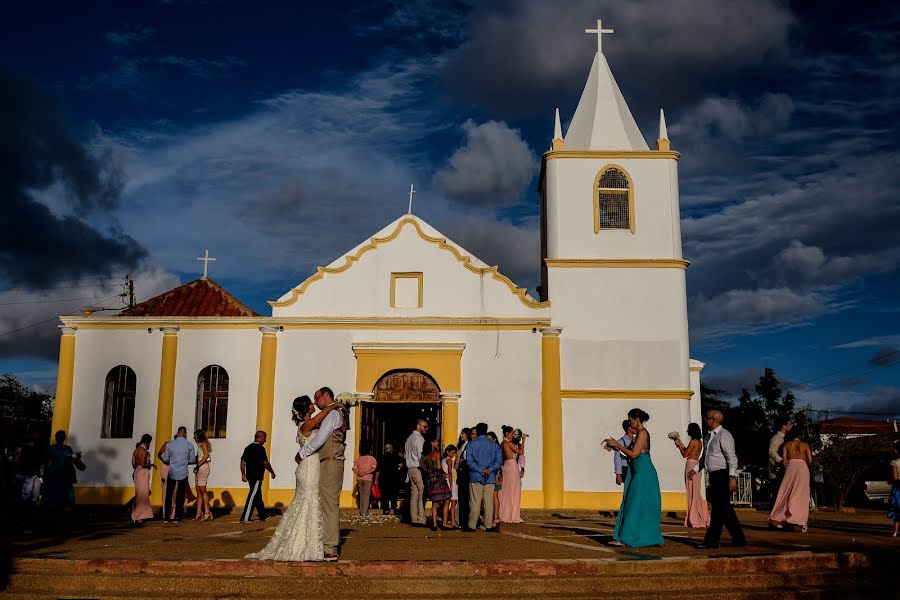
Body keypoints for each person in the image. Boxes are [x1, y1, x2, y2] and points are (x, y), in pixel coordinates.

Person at [247, 396, 337, 561]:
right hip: (309, 468)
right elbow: (321, 416)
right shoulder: (305, 425)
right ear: (305, 408)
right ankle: (305, 545)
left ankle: (309, 543)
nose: (313, 404)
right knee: (309, 501)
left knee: (308, 502)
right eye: (311, 403)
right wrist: (332, 405)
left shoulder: (309, 425)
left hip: (310, 466)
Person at [296, 387, 347, 561]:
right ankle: (325, 542)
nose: (315, 403)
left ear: (326, 395)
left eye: (317, 399)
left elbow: (320, 438)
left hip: (330, 461)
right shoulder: (331, 412)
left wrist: (302, 453)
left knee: (329, 505)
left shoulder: (332, 414)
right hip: (327, 461)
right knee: (326, 503)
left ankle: (330, 547)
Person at [604, 409, 664, 547]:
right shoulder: (639, 434)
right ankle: (629, 536)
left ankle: (627, 537)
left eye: (631, 420)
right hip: (638, 471)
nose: (630, 423)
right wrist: (616, 448)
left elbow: (634, 454)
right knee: (634, 503)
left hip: (643, 473)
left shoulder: (642, 433)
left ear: (637, 419)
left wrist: (617, 445)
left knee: (634, 504)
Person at [690, 410, 746, 549]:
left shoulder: (724, 435)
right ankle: (739, 539)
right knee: (725, 510)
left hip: (723, 475)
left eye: (707, 418)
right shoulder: (708, 436)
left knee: (718, 511)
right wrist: (696, 469)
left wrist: (732, 477)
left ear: (713, 420)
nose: (705, 420)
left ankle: (711, 541)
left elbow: (732, 458)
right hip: (714, 476)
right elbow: (705, 457)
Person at [769, 429, 813, 532]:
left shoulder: (787, 444)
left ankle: (781, 518)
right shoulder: (805, 445)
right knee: (801, 494)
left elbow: (784, 459)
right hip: (802, 467)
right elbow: (810, 460)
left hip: (791, 466)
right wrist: (802, 465)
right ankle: (800, 520)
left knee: (786, 492)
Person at [465, 422, 502, 532]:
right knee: (488, 502)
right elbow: (498, 461)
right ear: (486, 431)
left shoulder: (471, 444)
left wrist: (479, 469)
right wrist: (489, 470)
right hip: (490, 476)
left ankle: (472, 525)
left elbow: (469, 461)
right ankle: (488, 525)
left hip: (476, 475)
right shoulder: (494, 445)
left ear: (478, 431)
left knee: (475, 502)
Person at [673, 423, 709, 528]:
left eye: (689, 429)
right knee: (696, 492)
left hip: (690, 465)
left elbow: (685, 454)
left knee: (691, 492)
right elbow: (688, 452)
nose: (687, 431)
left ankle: (694, 518)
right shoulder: (700, 442)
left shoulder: (693, 441)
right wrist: (680, 444)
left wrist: (679, 445)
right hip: (697, 465)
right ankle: (702, 516)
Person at [42, 430, 84, 512]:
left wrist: (76, 458)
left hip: (66, 475)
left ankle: (67, 508)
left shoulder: (68, 449)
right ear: (56, 438)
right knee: (57, 495)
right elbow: (46, 464)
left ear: (64, 438)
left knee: (68, 495)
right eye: (58, 437)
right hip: (55, 476)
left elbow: (73, 460)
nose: (60, 439)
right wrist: (45, 477)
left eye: (61, 437)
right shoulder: (51, 449)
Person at [162, 426, 197, 524]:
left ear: (177, 433)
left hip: (172, 472)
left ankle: (166, 517)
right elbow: (192, 460)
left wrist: (173, 461)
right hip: (183, 472)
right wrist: (185, 461)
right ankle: (177, 517)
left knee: (169, 495)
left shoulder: (170, 444)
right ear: (185, 433)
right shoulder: (189, 445)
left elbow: (165, 459)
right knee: (180, 495)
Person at [240, 430, 276, 522]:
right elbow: (265, 462)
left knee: (257, 495)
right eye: (264, 438)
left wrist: (243, 474)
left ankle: (263, 515)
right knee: (253, 495)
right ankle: (245, 517)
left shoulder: (248, 447)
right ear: (259, 437)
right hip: (256, 476)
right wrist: (272, 472)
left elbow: (243, 462)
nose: (265, 441)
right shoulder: (260, 449)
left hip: (250, 475)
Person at [422, 437, 452, 530]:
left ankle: (434, 524)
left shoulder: (424, 456)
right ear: (432, 443)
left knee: (435, 502)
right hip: (438, 480)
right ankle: (444, 522)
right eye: (436, 441)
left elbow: (424, 469)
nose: (438, 443)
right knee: (447, 499)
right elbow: (439, 467)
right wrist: (444, 473)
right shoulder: (437, 454)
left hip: (430, 480)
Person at [404, 418, 428, 527]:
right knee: (421, 493)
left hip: (410, 468)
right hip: (417, 468)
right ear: (418, 425)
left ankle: (414, 518)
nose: (426, 429)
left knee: (414, 494)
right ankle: (421, 517)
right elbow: (420, 456)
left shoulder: (409, 438)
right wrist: (425, 468)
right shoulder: (419, 439)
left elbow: (406, 455)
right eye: (424, 426)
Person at [498, 425, 523, 524]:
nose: (513, 435)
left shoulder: (503, 443)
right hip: (511, 466)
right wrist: (523, 441)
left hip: (507, 466)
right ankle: (512, 515)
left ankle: (507, 513)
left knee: (508, 490)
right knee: (513, 490)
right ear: (507, 434)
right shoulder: (506, 443)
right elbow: (520, 452)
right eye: (512, 433)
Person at [130, 434, 155, 524]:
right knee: (143, 495)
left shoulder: (136, 450)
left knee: (139, 494)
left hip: (137, 471)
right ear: (146, 442)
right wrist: (152, 465)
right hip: (143, 472)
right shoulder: (144, 451)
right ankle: (140, 516)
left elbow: (133, 463)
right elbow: (144, 464)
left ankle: (137, 514)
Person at [768, 417, 793, 505]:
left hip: (780, 472)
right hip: (776, 472)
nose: (791, 426)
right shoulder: (777, 438)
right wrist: (781, 460)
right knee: (776, 494)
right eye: (790, 425)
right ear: (784, 426)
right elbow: (771, 451)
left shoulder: (784, 438)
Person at [352, 441, 377, 517]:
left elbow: (354, 469)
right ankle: (364, 512)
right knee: (366, 495)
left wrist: (359, 473)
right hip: (368, 478)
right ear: (370, 451)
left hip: (359, 478)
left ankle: (361, 510)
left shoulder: (358, 459)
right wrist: (366, 472)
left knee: (361, 495)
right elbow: (373, 469)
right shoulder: (372, 459)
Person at [377, 444, 402, 515]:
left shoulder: (381, 457)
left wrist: (376, 479)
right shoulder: (395, 457)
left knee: (384, 494)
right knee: (394, 493)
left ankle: (386, 509)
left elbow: (378, 469)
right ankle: (394, 507)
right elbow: (399, 466)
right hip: (393, 478)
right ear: (391, 449)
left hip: (383, 478)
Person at [193, 429, 213, 521]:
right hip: (200, 467)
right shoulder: (201, 444)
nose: (194, 437)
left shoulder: (204, 444)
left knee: (203, 490)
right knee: (198, 490)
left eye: (195, 436)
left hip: (203, 467)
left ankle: (207, 512)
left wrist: (198, 465)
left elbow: (205, 456)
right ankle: (198, 512)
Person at [456, 428, 472, 528]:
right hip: (460, 474)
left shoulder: (469, 445)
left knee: (465, 498)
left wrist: (463, 461)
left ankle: (464, 521)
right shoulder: (462, 445)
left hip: (465, 474)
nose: (461, 435)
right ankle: (461, 520)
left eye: (462, 433)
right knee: (462, 498)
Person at [613, 420, 636, 486]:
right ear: (629, 428)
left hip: (634, 467)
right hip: (625, 469)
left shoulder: (636, 440)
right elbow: (617, 459)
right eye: (634, 427)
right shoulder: (620, 442)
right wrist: (618, 474)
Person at [486, 431, 502, 526]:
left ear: (494, 439)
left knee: (495, 496)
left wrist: (497, 475)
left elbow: (498, 463)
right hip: (489, 474)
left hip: (495, 474)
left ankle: (496, 516)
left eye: (490, 439)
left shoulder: (497, 449)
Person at [442, 444, 459, 528]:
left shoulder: (443, 460)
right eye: (452, 453)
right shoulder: (449, 460)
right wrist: (451, 485)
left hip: (446, 482)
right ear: (448, 452)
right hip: (450, 482)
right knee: (452, 503)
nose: (453, 455)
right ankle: (451, 521)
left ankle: (447, 521)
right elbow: (450, 473)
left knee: (447, 503)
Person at [888, 441, 900, 537]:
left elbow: (895, 478)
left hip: (898, 488)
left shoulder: (895, 462)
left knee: (897, 510)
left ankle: (895, 531)